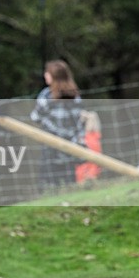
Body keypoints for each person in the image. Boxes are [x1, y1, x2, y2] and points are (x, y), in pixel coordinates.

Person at [29, 60, 84, 189]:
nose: (45, 75)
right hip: (71, 145)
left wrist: (48, 125)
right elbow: (78, 122)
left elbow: (35, 117)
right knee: (70, 182)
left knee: (49, 183)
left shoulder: (46, 96)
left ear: (53, 76)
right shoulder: (75, 96)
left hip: (51, 145)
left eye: (47, 73)